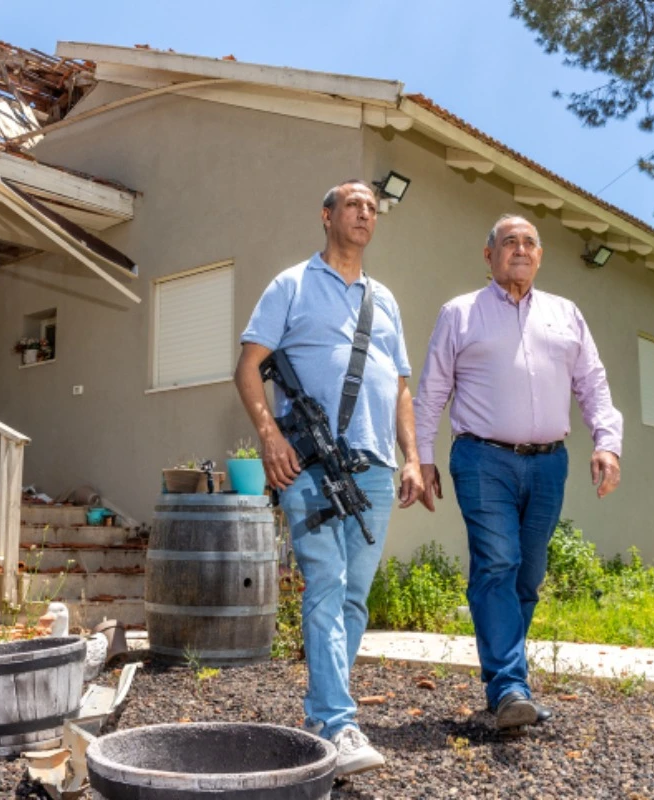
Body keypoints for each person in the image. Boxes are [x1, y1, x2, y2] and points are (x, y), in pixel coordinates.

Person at [235, 179, 423, 777]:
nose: (365, 214)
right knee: (325, 581)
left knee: (353, 597)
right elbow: (247, 367)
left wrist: (413, 457)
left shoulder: (385, 300)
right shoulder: (291, 284)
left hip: (374, 466)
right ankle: (340, 725)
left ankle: (321, 718)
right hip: (309, 461)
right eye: (353, 205)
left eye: (372, 208)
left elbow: (399, 388)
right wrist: (269, 436)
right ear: (327, 215)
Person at [413, 214, 623, 730]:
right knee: (498, 563)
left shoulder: (565, 313)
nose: (521, 249)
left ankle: (505, 686)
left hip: (550, 463)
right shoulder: (460, 314)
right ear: (489, 256)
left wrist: (608, 444)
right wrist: (421, 459)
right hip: (483, 459)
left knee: (527, 577)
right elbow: (432, 391)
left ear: (541, 255)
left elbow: (592, 383)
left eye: (530, 242)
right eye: (510, 242)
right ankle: (509, 685)